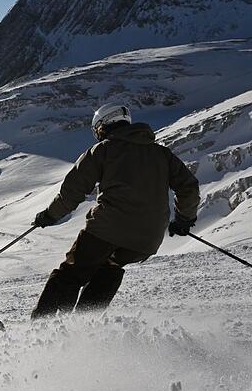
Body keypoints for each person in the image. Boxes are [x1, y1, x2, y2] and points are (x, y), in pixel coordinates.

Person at [30, 103, 200, 319]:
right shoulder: (162, 154)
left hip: (107, 228)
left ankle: (41, 328)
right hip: (147, 239)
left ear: (102, 127)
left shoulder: (103, 150)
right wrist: (184, 219)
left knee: (72, 272)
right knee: (109, 267)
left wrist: (50, 215)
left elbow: (73, 190)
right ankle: (84, 328)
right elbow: (188, 187)